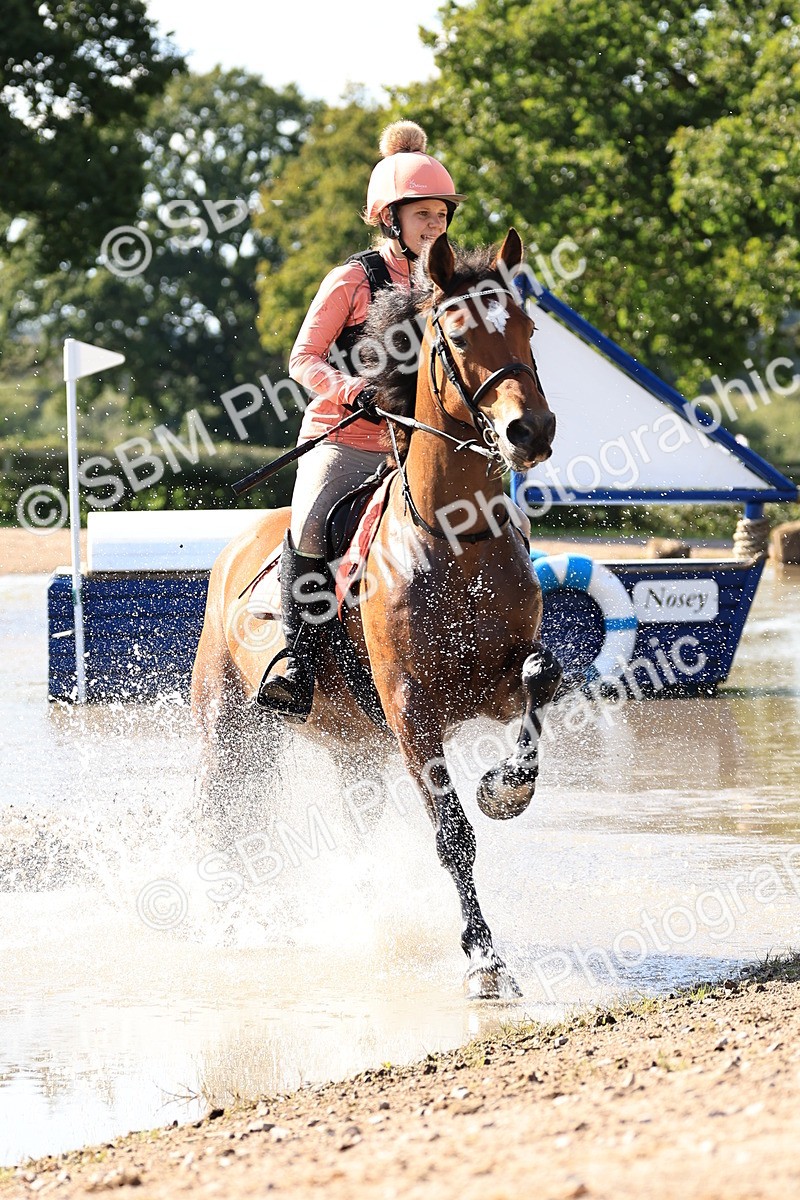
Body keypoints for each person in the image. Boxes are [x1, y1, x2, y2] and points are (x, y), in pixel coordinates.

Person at [257, 120, 464, 720]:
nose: (435, 226)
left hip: (416, 444)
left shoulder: (442, 283)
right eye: (422, 215)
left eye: (441, 216)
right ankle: (297, 664)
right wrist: (348, 388)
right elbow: (303, 358)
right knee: (313, 522)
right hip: (343, 439)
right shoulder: (351, 279)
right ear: (388, 219)